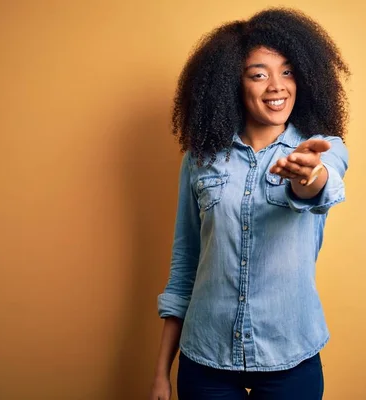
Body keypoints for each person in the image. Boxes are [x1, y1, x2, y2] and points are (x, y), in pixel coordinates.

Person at [150, 7, 350, 400]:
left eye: (288, 71)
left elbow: (319, 186)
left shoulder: (323, 147)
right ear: (232, 85)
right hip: (205, 357)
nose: (277, 85)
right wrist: (161, 371)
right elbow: (185, 263)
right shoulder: (200, 158)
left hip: (291, 357)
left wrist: (307, 174)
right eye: (259, 74)